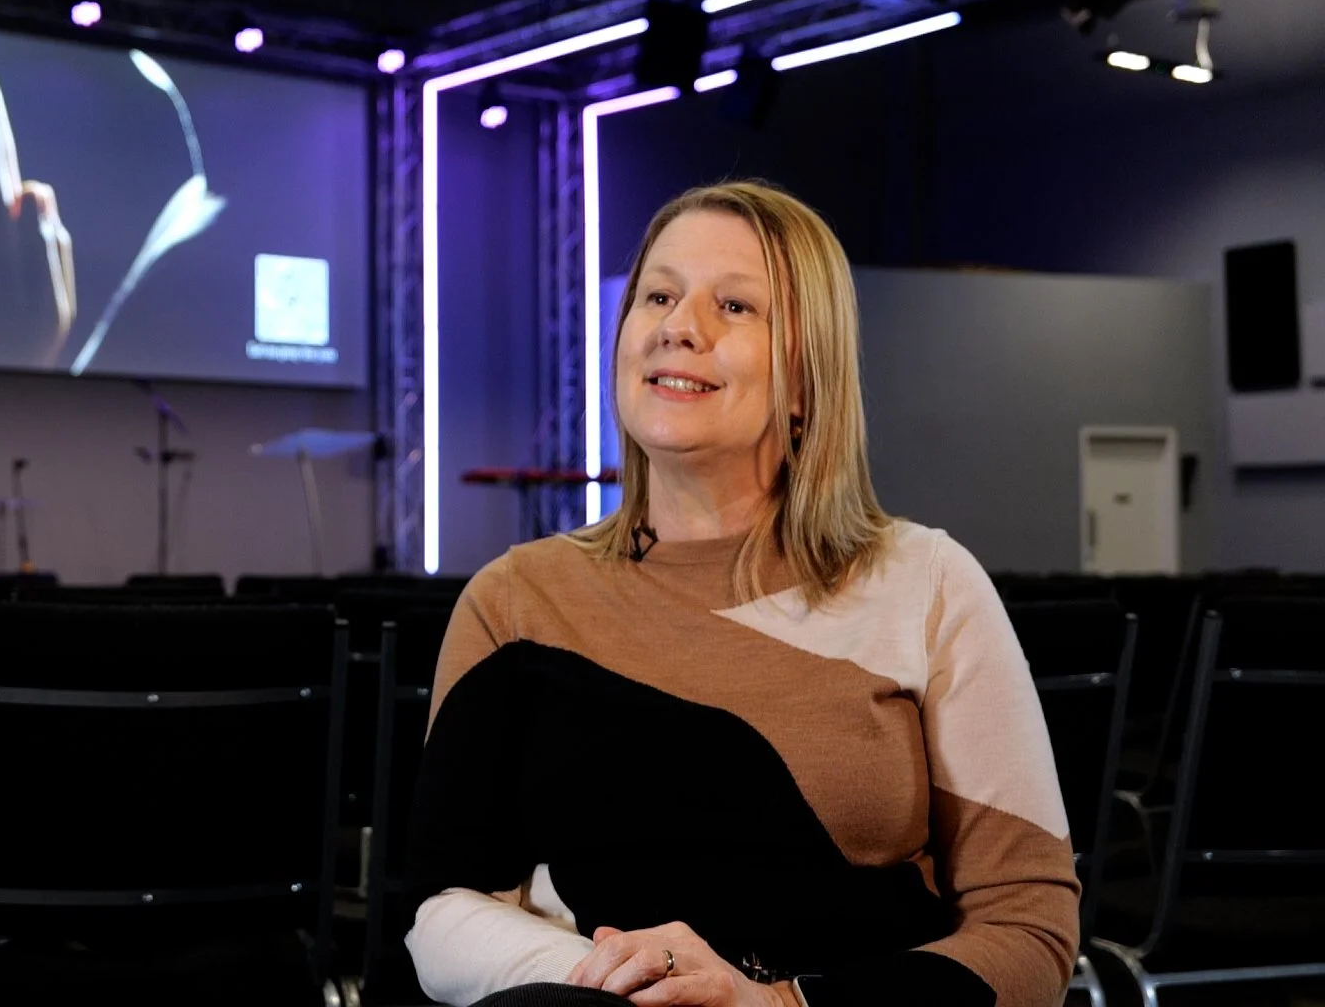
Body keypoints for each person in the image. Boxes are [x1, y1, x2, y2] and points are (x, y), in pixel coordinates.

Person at [402, 181, 1079, 1007]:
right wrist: (632, 985)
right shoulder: (512, 600)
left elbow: (1029, 924)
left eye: (735, 306)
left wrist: (777, 1004)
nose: (679, 325)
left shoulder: (928, 583)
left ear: (805, 380)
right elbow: (443, 910)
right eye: (658, 295)